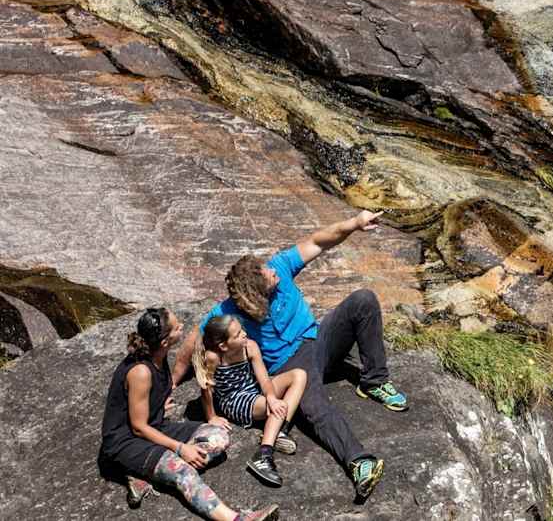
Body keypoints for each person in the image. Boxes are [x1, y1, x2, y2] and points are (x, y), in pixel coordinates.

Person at [175, 210, 408, 502]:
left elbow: (319, 241)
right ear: (257, 296)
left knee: (363, 299)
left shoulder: (280, 267)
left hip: (318, 339)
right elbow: (194, 341)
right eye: (268, 275)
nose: (272, 271)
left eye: (268, 269)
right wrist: (172, 381)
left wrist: (355, 223)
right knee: (318, 408)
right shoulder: (228, 312)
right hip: (291, 363)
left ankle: (374, 380)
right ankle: (359, 461)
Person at [99, 308, 278, 521]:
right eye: (176, 328)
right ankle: (236, 519)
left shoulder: (159, 356)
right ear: (165, 341)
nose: (182, 327)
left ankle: (151, 470)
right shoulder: (141, 371)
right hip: (126, 441)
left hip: (155, 427)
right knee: (183, 472)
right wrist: (181, 449)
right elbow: (138, 427)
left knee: (218, 436)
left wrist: (157, 405)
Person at [196, 315, 307, 487]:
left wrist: (271, 397)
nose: (244, 334)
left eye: (242, 329)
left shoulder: (250, 347)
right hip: (234, 400)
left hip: (253, 390)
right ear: (223, 345)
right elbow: (206, 388)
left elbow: (264, 379)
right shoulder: (213, 357)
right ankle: (263, 453)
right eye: (237, 334)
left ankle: (279, 431)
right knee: (281, 406)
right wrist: (211, 416)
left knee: (299, 375)